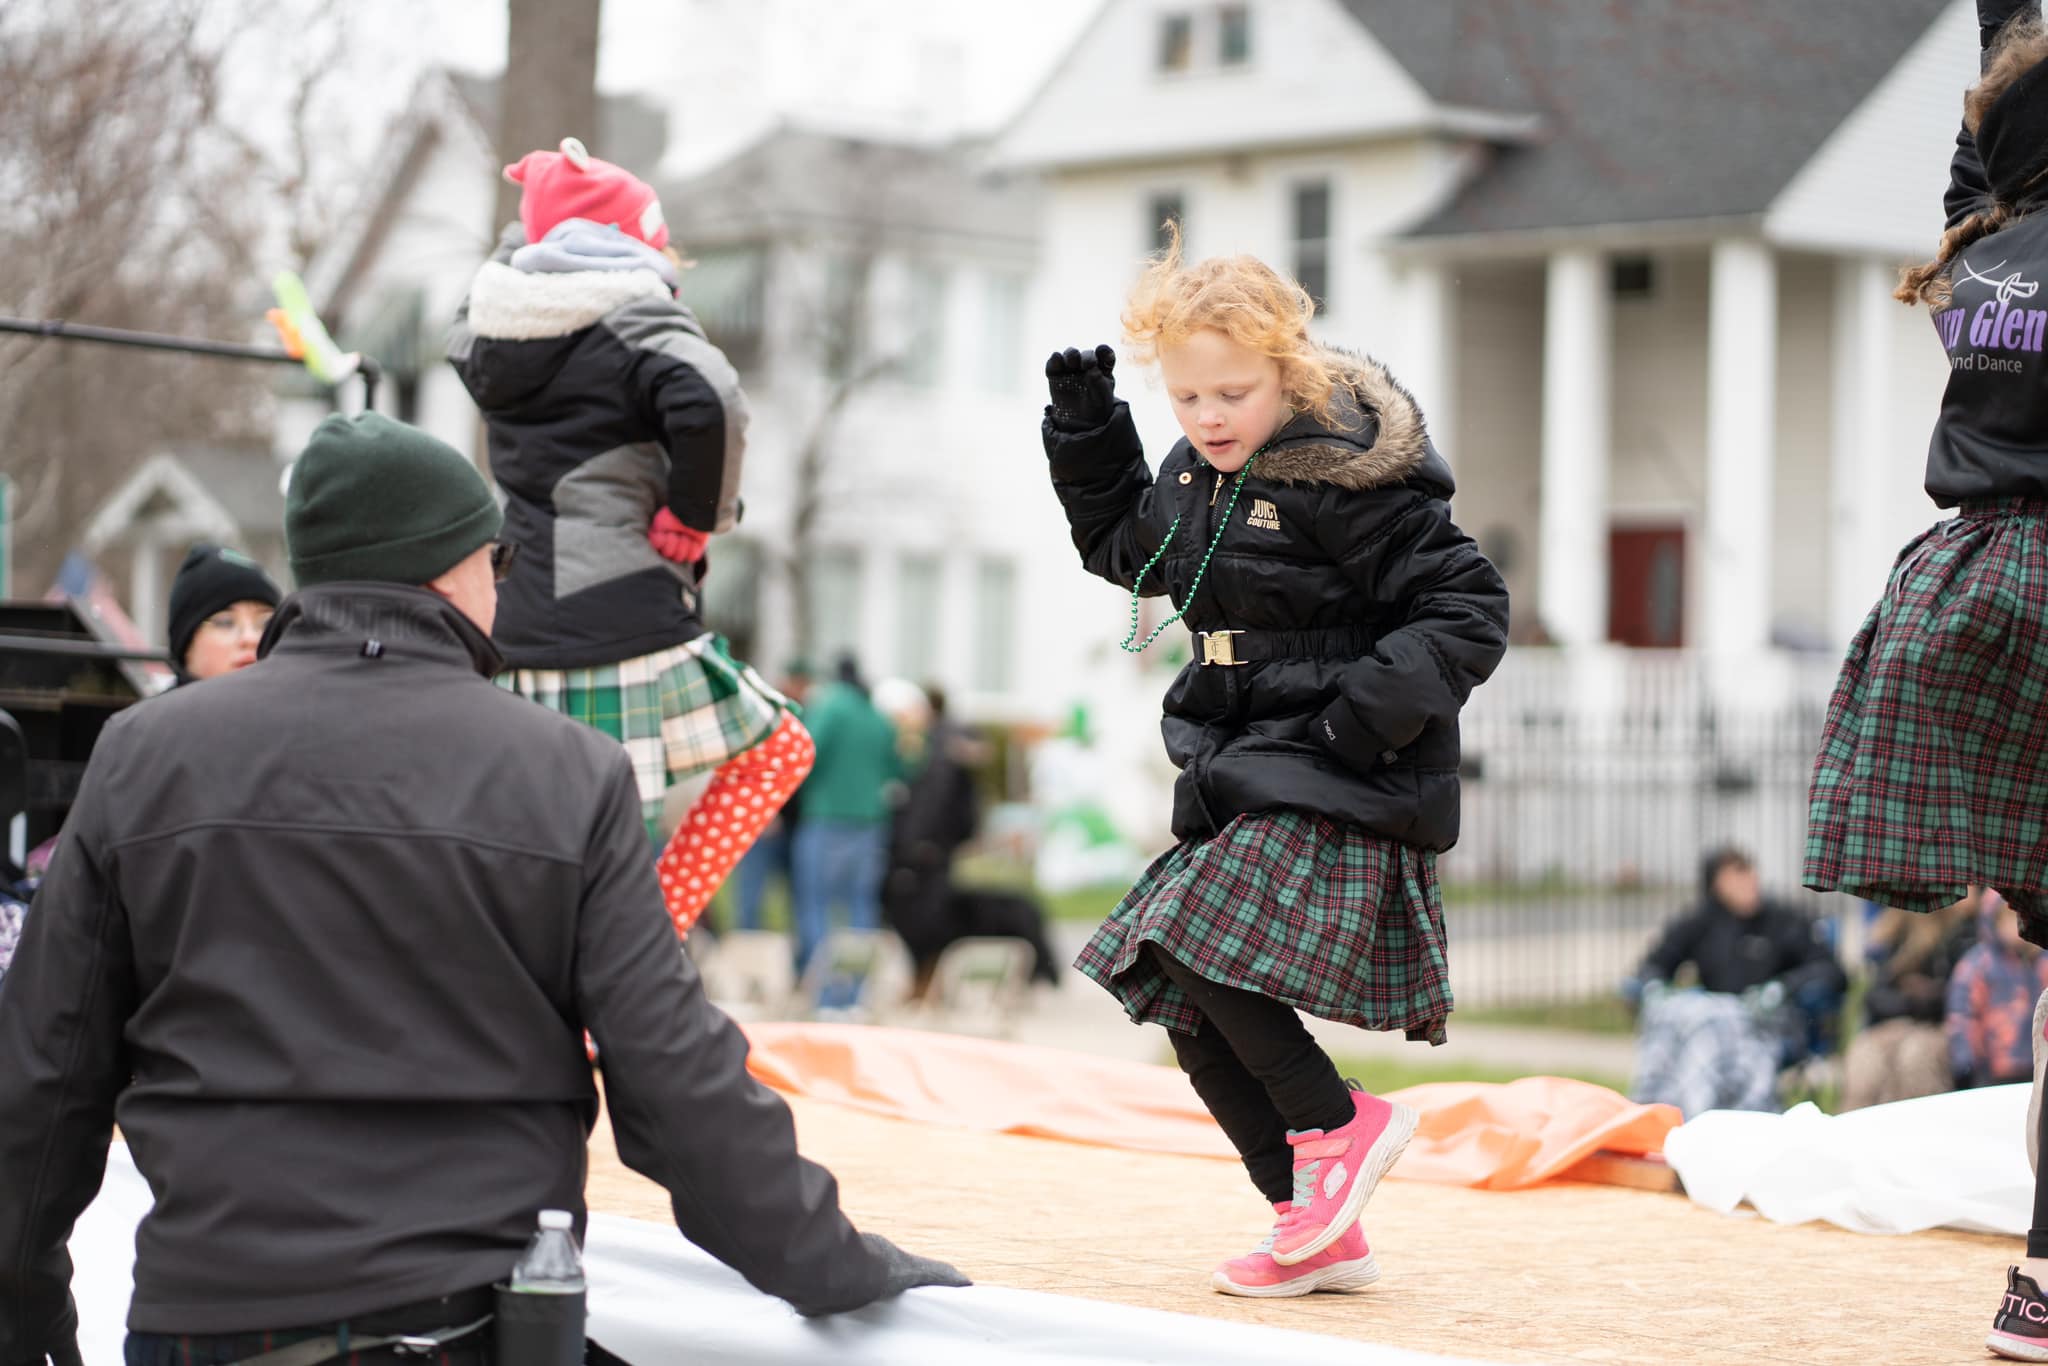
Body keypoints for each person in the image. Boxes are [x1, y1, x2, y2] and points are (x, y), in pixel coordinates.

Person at [0, 413, 964, 1366]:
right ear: (451, 567)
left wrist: (30, 1313)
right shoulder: (566, 775)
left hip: (210, 1317)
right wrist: (837, 1267)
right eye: (497, 563)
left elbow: (44, 1079)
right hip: (461, 1320)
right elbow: (677, 1087)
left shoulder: (145, 755)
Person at [1040, 229, 1509, 1297]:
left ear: (1287, 371)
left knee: (1186, 936)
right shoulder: (1195, 470)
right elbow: (1130, 552)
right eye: (1185, 398)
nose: (1207, 417)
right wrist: (1087, 435)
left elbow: (1470, 606)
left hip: (1339, 767)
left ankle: (1339, 1125)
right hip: (1241, 758)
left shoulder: (1345, 477)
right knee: (1182, 990)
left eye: (1231, 393)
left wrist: (1356, 721)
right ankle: (1312, 1222)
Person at [1799, 2, 2048, 1353]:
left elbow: (1974, 171)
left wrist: (1999, 26)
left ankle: (2043, 1283)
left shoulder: (1986, 250)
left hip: (1967, 592)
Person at [448, 136, 810, 942]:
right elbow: (715, 399)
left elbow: (471, 310)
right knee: (775, 753)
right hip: (619, 618)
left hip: (515, 626)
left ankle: (539, 1004)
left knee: (551, 848)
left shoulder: (494, 324)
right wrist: (693, 515)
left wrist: (527, 231)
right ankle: (642, 948)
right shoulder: (634, 313)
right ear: (628, 241)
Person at [1624, 847, 1847, 1118]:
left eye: (1750, 872)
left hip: (1771, 1022)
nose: (1749, 882)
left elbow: (1830, 971)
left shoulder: (1783, 921)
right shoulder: (1702, 922)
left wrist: (1785, 987)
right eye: (1737, 876)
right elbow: (1656, 963)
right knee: (1674, 1018)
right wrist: (1652, 985)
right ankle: (1655, 1111)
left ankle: (1701, 1114)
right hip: (1714, 1017)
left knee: (1704, 1027)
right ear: (1716, 885)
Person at [790, 655, 901, 972]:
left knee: (817, 906)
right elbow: (897, 768)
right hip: (870, 822)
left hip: (827, 818)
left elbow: (806, 752)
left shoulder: (830, 707)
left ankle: (825, 990)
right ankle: (854, 993)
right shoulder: (877, 715)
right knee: (860, 908)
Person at [1840, 897, 1975, 1110]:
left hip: (1940, 1027)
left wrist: (1924, 996)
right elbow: (1875, 998)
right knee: (1866, 1058)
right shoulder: (1891, 935)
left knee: (1915, 1056)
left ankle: (1921, 1130)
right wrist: (1911, 1000)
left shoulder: (1961, 935)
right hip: (1895, 1023)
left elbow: (1958, 997)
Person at [730, 661, 815, 933]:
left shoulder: (810, 718)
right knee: (751, 895)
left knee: (799, 896)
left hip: (795, 821)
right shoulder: (762, 720)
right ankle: (748, 954)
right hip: (765, 818)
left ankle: (792, 961)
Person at [1950, 891, 2048, 1090]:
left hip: (2039, 1066)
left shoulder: (2042, 961)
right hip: (1993, 1068)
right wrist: (1965, 1062)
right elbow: (1962, 1015)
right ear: (1992, 921)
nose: (2017, 926)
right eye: (2009, 919)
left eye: (2023, 917)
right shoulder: (1978, 965)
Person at [166, 542, 280, 684]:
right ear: (186, 648)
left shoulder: (306, 703)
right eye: (226, 622)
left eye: (266, 623)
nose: (251, 638)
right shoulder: (156, 707)